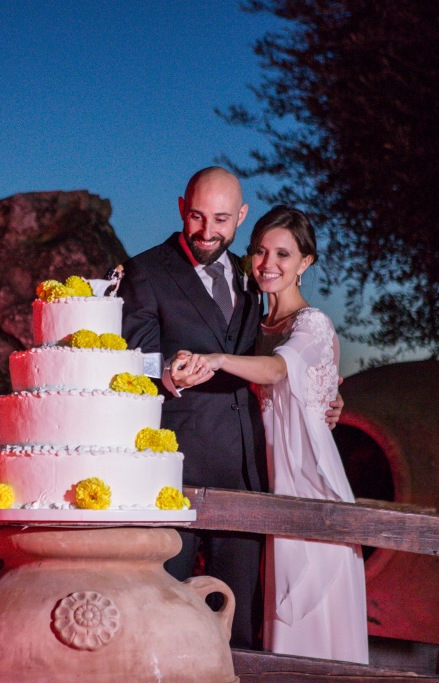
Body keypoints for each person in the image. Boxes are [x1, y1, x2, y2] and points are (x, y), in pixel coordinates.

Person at [119, 167, 342, 649]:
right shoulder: (145, 270)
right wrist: (167, 373)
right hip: (174, 473)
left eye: (221, 219)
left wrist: (324, 394)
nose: (207, 231)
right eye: (197, 216)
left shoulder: (252, 274)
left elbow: (278, 357)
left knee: (239, 619)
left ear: (240, 216)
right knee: (164, 611)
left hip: (249, 471)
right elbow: (133, 358)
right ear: (182, 209)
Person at [181, 205, 368, 663]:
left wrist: (217, 360)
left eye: (283, 254)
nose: (268, 264)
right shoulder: (257, 325)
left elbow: (279, 370)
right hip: (268, 484)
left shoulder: (312, 323)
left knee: (308, 630)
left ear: (305, 262)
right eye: (260, 251)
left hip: (307, 483)